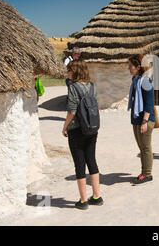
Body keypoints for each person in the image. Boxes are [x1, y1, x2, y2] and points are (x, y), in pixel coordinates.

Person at [62, 60, 103, 210]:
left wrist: (65, 126)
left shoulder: (73, 87)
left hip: (77, 130)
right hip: (92, 129)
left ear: (76, 71)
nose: (68, 73)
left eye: (70, 70)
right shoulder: (92, 86)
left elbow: (72, 111)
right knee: (91, 160)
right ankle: (97, 196)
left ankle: (83, 200)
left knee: (79, 163)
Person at [127, 54, 156, 185]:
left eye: (130, 66)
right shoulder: (136, 80)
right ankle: (144, 172)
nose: (128, 68)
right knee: (141, 147)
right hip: (136, 118)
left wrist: (144, 121)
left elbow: (149, 104)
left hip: (145, 120)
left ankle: (147, 174)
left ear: (138, 67)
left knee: (145, 147)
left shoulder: (145, 81)